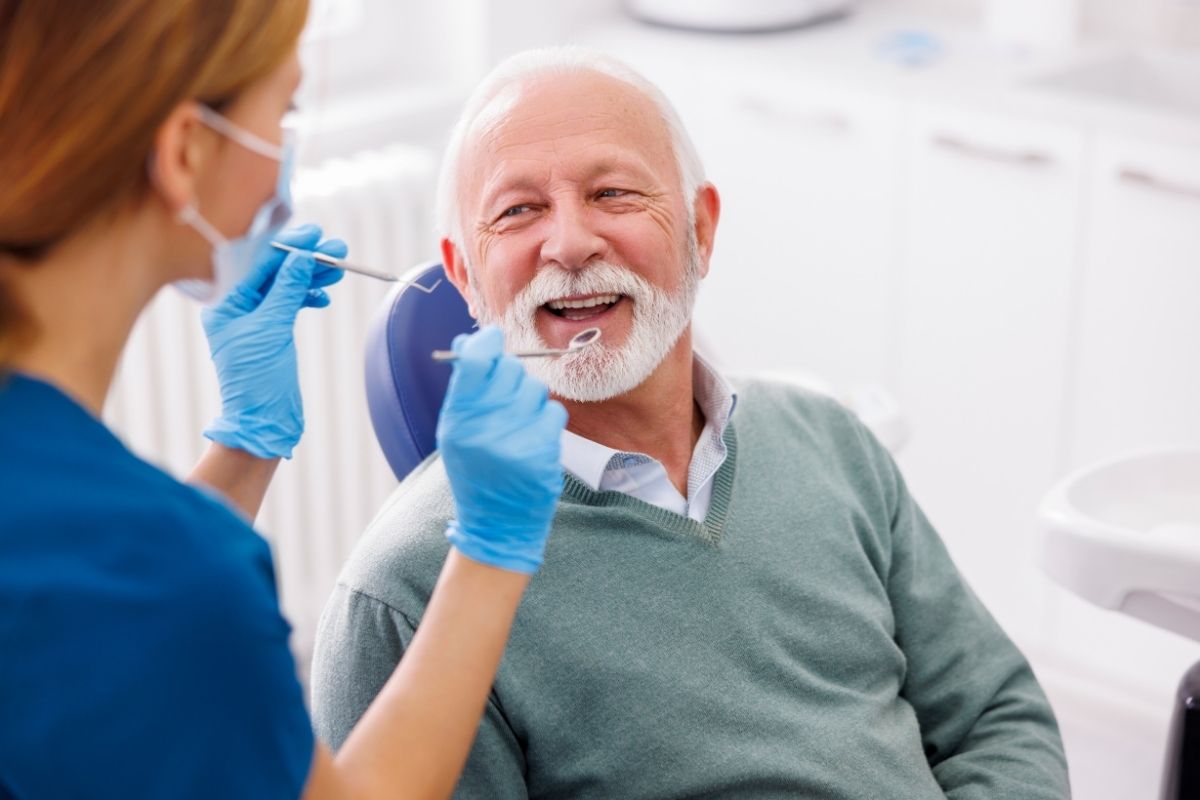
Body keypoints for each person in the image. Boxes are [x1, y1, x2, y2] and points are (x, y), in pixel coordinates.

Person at [311, 47, 1072, 799]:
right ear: (465, 276)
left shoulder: (830, 442)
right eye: (518, 211)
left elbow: (998, 719)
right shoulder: (400, 599)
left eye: (612, 194)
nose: (571, 244)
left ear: (701, 231)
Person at [0, 2, 567, 797]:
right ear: (185, 151)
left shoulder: (96, 540)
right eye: (286, 109)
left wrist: (245, 445)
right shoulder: (165, 573)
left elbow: (83, 634)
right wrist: (489, 549)